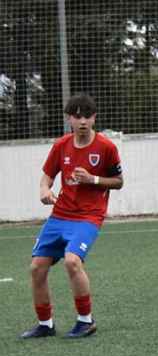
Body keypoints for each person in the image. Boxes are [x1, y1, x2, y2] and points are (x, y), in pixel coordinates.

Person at [21, 93, 123, 339]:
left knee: (72, 261)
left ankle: (86, 321)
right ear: (69, 119)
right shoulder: (61, 145)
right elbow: (47, 176)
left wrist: (93, 179)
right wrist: (45, 190)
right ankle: (45, 325)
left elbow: (118, 182)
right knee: (36, 267)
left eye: (87, 116)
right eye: (77, 116)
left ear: (94, 117)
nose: (83, 121)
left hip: (89, 216)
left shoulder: (106, 147)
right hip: (60, 215)